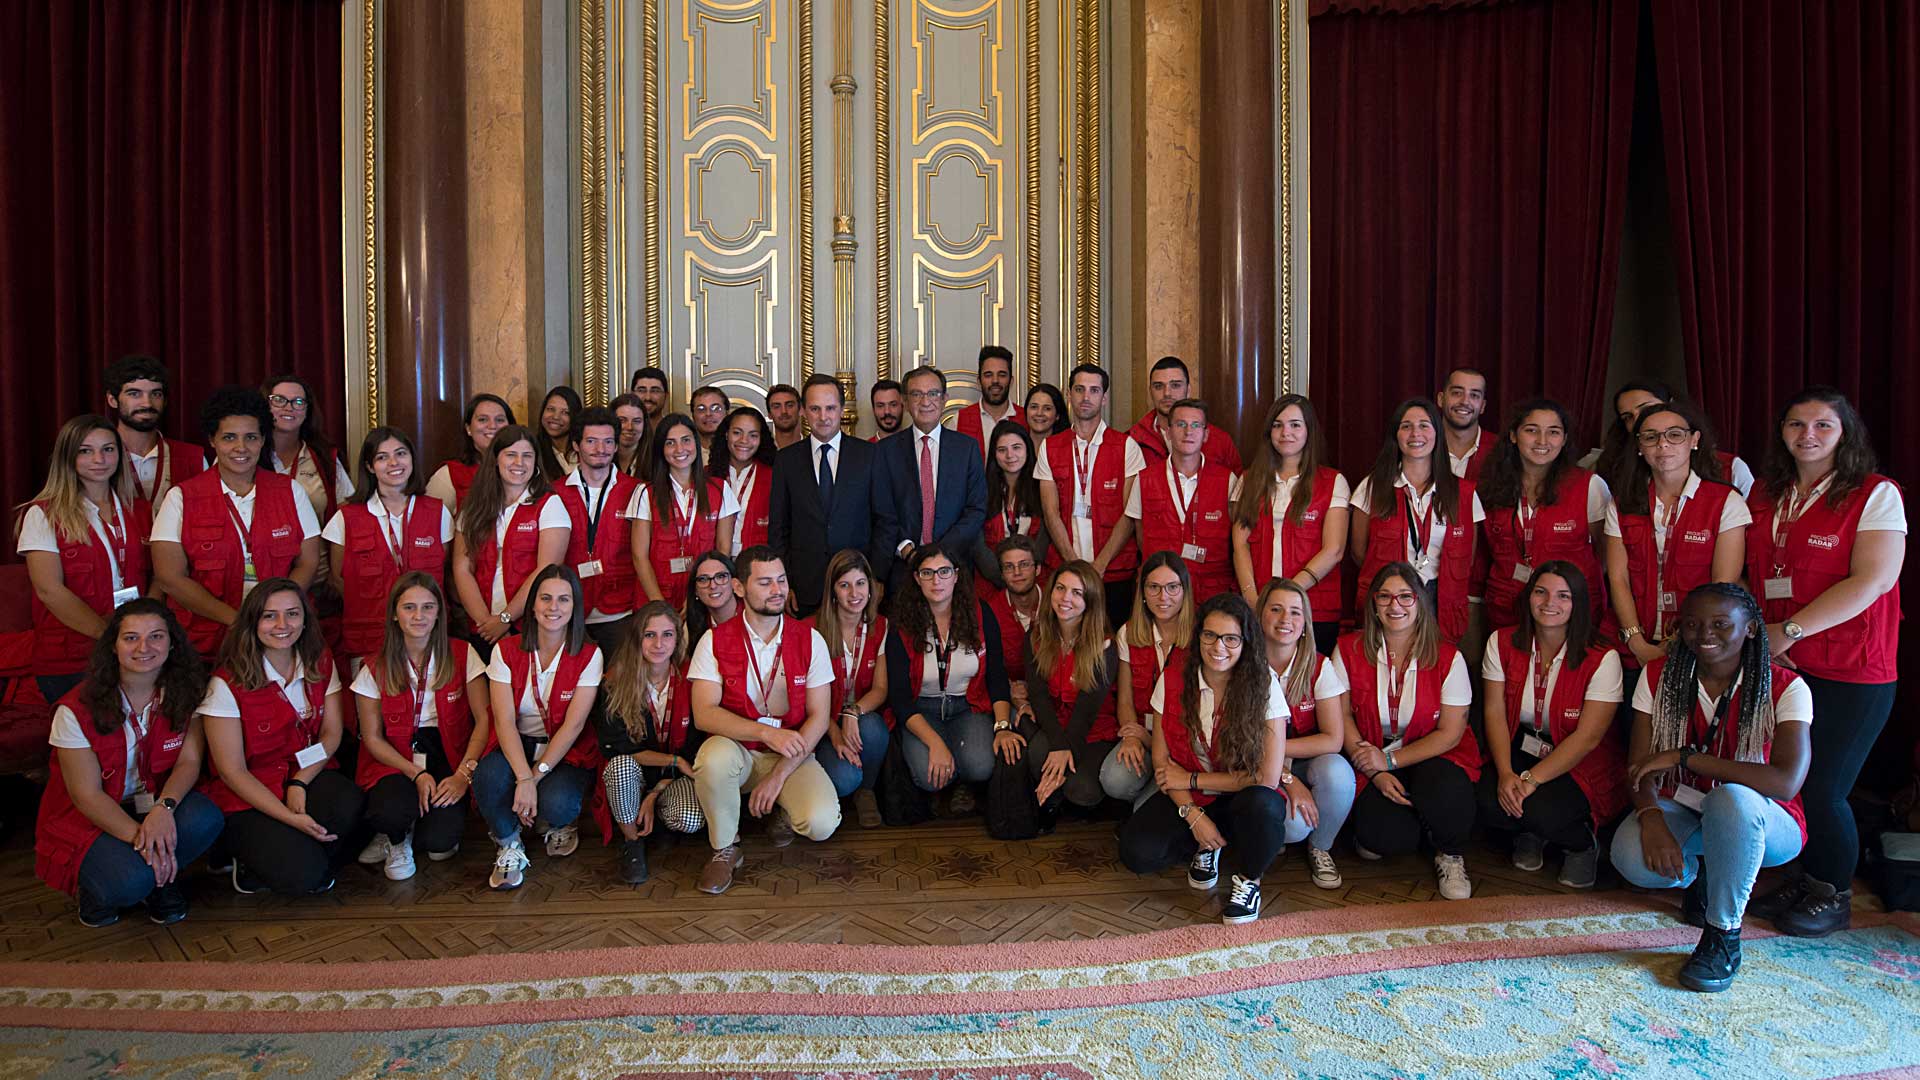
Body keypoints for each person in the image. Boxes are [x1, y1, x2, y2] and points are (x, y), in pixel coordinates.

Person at [1743, 388, 1906, 937]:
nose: (1806, 435)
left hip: (1852, 670)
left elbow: (1874, 580)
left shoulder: (1874, 494)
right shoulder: (1770, 496)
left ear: (1846, 433)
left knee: (1825, 787)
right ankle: (1807, 877)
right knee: (1788, 780)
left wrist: (1787, 631)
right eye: (1795, 424)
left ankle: (1833, 894)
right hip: (1788, 665)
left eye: (1822, 425)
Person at [1609, 584, 1811, 993]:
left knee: (1731, 798)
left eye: (1721, 624)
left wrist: (1686, 759)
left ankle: (1723, 936)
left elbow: (1786, 782)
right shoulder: (1658, 676)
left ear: (1751, 628)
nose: (1705, 634)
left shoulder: (1786, 686)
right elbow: (1640, 765)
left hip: (1767, 821)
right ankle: (1709, 876)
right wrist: (1650, 819)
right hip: (1684, 805)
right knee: (1629, 855)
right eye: (1693, 624)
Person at [35, 600, 221, 927]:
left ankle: (159, 882)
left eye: (156, 637)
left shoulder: (188, 692)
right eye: (131, 638)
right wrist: (146, 839)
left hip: (153, 802)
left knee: (206, 817)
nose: (144, 648)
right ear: (113, 647)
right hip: (93, 813)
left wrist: (163, 810)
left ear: (172, 643)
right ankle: (103, 893)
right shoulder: (74, 709)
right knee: (127, 882)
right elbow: (86, 796)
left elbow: (189, 762)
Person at [1116, 594, 1292, 925]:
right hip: (1193, 797)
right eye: (1210, 635)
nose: (1218, 647)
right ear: (1198, 637)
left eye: (1231, 638)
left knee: (1264, 806)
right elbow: (1163, 763)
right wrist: (1193, 815)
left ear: (1245, 642)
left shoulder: (1264, 682)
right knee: (1137, 853)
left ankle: (1249, 880)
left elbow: (1266, 778)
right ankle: (1209, 844)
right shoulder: (1173, 678)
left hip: (1243, 796)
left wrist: (1193, 780)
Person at [688, 547, 840, 894]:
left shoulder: (809, 638)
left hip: (792, 755)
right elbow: (703, 714)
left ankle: (781, 809)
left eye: (782, 580)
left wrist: (778, 774)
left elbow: (819, 717)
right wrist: (764, 734)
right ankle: (724, 848)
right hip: (737, 751)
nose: (777, 590)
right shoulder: (713, 641)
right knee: (712, 758)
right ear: (739, 588)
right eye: (766, 582)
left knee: (821, 824)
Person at [199, 579, 362, 895]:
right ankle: (247, 855)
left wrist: (299, 782)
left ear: (305, 619)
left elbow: (331, 733)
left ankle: (291, 851)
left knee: (350, 803)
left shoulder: (320, 660)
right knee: (306, 877)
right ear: (253, 621)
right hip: (250, 791)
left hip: (304, 774)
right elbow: (232, 772)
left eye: (292, 614)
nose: (282, 625)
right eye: (269, 616)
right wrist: (289, 818)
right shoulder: (226, 682)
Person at [1337, 562, 1481, 900]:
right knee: (1381, 839)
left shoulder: (1448, 657)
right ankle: (1419, 826)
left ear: (1420, 602)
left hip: (1432, 754)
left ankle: (1449, 852)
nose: (1394, 606)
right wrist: (1374, 770)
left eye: (1405, 596)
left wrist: (1390, 761)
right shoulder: (1348, 649)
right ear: (1373, 604)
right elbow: (1341, 716)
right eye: (1384, 597)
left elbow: (1450, 733)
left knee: (1444, 791)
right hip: (1370, 755)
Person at [1477, 563, 1626, 889]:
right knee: (1486, 799)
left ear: (1578, 604)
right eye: (1541, 592)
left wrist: (1530, 780)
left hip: (1578, 760)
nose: (1549, 603)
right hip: (1521, 747)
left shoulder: (1603, 658)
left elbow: (1588, 739)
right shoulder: (1500, 642)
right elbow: (1494, 712)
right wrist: (1505, 773)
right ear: (1529, 596)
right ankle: (1531, 832)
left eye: (1563, 596)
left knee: (1540, 808)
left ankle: (1581, 844)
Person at [151, 387, 322, 657]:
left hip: (281, 638)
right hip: (204, 646)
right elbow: (169, 577)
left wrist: (273, 616)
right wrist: (238, 621)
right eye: (229, 437)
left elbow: (308, 562)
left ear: (263, 439)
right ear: (213, 440)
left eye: (251, 437)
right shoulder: (181, 497)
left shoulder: (290, 491)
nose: (241, 448)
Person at [350, 573, 491, 880]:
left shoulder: (463, 654)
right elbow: (372, 738)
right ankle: (396, 839)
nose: (419, 616)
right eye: (409, 607)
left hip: (447, 753)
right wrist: (415, 772)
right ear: (394, 614)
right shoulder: (373, 667)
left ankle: (415, 829)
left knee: (440, 843)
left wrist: (463, 776)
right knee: (391, 811)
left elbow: (484, 720)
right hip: (396, 758)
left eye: (428, 607)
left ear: (439, 612)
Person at [472, 564, 604, 890]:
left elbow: (573, 727)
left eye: (563, 600)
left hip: (563, 748)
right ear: (532, 605)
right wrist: (523, 777)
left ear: (575, 607)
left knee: (558, 803)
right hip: (516, 742)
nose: (553, 608)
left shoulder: (590, 654)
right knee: (486, 778)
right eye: (545, 598)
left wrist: (534, 778)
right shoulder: (504, 650)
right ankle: (508, 842)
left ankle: (556, 821)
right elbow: (503, 721)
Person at [1603, 399, 1748, 674]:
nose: (1663, 444)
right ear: (1638, 446)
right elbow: (1618, 578)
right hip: (1633, 646)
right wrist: (1636, 642)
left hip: (1698, 645)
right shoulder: (1623, 503)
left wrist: (1676, 642)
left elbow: (1722, 586)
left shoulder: (1725, 501)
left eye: (1674, 434)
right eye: (1651, 437)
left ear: (1694, 440)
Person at [17, 416, 150, 702]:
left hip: (138, 651)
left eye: (108, 449)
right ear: (68, 457)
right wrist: (111, 637)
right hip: (72, 658)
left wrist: (143, 634)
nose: (99, 459)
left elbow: (159, 575)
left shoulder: (139, 509)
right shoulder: (43, 514)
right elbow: (49, 591)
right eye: (85, 450)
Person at [885, 546, 1015, 812]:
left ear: (956, 575)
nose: (936, 581)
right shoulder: (901, 623)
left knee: (980, 765)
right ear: (916, 578)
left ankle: (959, 778)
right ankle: (946, 776)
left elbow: (997, 677)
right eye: (927, 573)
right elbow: (899, 697)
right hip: (921, 711)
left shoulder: (981, 614)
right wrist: (934, 743)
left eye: (944, 572)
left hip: (968, 707)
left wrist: (1002, 727)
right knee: (928, 777)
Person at [1349, 399, 1486, 650]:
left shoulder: (1463, 493)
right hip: (1389, 599)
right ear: (1396, 435)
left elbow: (1468, 555)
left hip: (1440, 600)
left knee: (1434, 675)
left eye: (1424, 425)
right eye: (1406, 426)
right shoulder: (1372, 487)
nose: (1416, 434)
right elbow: (1359, 552)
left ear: (1437, 433)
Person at [324, 426, 453, 666]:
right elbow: (338, 578)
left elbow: (445, 570)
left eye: (401, 454)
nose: (394, 462)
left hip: (427, 638)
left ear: (412, 458)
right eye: (382, 457)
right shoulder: (346, 518)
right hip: (369, 640)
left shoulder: (438, 512)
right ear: (370, 467)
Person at [1477, 400, 1610, 631]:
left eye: (1553, 432)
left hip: (1568, 613)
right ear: (1513, 436)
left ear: (1564, 439)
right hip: (1506, 610)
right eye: (1532, 430)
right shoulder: (1492, 486)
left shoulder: (1589, 486)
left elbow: (1606, 556)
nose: (1542, 441)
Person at [1231, 394, 1348, 656]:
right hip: (1258, 605)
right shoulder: (1248, 480)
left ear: (1309, 431)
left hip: (1312, 607)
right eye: (1278, 424)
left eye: (1295, 424)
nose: (1286, 432)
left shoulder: (1332, 481)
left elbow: (1334, 550)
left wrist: (1287, 596)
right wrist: (1253, 598)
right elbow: (1240, 546)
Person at [596, 600, 703, 884]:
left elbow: (696, 746)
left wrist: (658, 789)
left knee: (690, 818)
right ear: (637, 639)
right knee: (619, 767)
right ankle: (632, 841)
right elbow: (616, 748)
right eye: (650, 635)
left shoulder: (692, 678)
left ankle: (658, 815)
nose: (659, 644)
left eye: (667, 634)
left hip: (675, 778)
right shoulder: (615, 681)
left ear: (677, 639)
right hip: (634, 774)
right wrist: (674, 761)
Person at [1257, 579, 1352, 890]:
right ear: (1260, 616)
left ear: (1306, 624)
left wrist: (1282, 754)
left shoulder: (1320, 666)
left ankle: (1321, 847)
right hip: (1257, 765)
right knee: (1293, 827)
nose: (1286, 620)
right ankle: (1276, 835)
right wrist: (1285, 777)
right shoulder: (1243, 664)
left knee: (1338, 772)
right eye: (1276, 609)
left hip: (1300, 761)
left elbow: (1333, 739)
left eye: (1296, 613)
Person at [770, 374, 892, 614]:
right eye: (815, 409)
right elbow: (778, 528)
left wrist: (876, 577)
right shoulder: (786, 460)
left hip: (858, 586)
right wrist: (784, 583)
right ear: (803, 411)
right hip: (804, 589)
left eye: (830, 408)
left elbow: (885, 522)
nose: (823, 417)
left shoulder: (869, 455)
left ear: (842, 409)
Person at [1036, 364, 1146, 629]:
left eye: (1094, 390)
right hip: (1064, 571)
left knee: (1111, 647)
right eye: (1079, 389)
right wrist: (1075, 566)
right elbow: (1051, 513)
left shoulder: (1126, 446)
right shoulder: (1050, 447)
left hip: (1113, 572)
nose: (1086, 397)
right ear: (1069, 394)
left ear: (1104, 398)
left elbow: (1129, 514)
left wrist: (1099, 565)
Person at [450, 424, 571, 650]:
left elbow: (546, 570)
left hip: (529, 627)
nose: (519, 463)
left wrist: (504, 620)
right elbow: (461, 568)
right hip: (481, 627)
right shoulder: (473, 506)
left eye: (527, 456)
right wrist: (486, 623)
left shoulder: (550, 505)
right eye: (511, 455)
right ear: (496, 459)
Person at [1016, 560, 1121, 815]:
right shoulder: (1037, 634)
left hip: (1093, 729)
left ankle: (1060, 788)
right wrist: (1058, 745)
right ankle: (1053, 790)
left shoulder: (1104, 644)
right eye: (1060, 588)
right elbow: (1039, 695)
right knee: (1039, 755)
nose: (1065, 598)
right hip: (1056, 720)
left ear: (1091, 600)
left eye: (1077, 593)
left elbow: (1087, 711)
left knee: (1082, 790)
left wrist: (1064, 749)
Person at [876, 366, 988, 595]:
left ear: (945, 399)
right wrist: (907, 550)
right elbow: (881, 510)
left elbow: (976, 509)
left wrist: (940, 554)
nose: (925, 401)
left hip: (954, 569)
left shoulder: (966, 449)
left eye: (933, 393)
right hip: (903, 570)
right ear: (906, 402)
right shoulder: (885, 451)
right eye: (917, 394)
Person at [808, 550, 891, 827]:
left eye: (860, 583)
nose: (854, 593)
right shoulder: (812, 629)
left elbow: (880, 689)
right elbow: (806, 701)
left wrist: (853, 714)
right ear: (832, 592)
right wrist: (834, 732)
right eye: (844, 585)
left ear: (871, 587)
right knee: (845, 780)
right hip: (819, 722)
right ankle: (834, 791)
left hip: (858, 717)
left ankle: (867, 791)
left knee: (875, 728)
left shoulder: (880, 626)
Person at [1127, 398, 1239, 602]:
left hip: (1211, 595)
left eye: (1196, 425)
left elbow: (1236, 541)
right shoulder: (1144, 479)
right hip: (1161, 595)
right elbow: (1141, 536)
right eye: (1181, 424)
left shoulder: (1227, 480)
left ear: (1206, 434)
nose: (1188, 432)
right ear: (1168, 432)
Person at [629, 413, 739, 610]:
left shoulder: (720, 489)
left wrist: (697, 598)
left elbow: (723, 549)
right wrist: (660, 606)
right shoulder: (645, 493)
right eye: (670, 443)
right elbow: (639, 556)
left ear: (696, 444)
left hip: (705, 596)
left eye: (686, 440)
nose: (680, 449)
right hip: (656, 597)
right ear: (661, 449)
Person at [1109, 553, 1194, 807]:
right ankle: (1153, 781)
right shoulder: (1128, 632)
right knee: (1115, 780)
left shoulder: (1201, 635)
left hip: (1183, 745)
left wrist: (1150, 741)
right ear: (1142, 592)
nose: (1163, 597)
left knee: (1143, 813)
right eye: (1154, 587)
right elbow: (1125, 700)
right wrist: (1132, 736)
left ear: (1184, 591)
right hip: (1143, 731)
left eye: (1172, 588)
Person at [557, 407, 642, 656]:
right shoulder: (554, 493)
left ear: (616, 446)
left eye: (608, 442)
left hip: (620, 611)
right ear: (576, 444)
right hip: (570, 610)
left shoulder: (637, 490)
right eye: (591, 441)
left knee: (618, 690)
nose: (600, 449)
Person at [1588, 378, 1755, 497]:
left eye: (1647, 408)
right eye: (1628, 417)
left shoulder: (1731, 469)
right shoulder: (1613, 469)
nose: (1640, 419)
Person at [103, 355, 205, 508]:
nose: (147, 403)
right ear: (112, 400)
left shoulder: (194, 458)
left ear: (165, 401)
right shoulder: (96, 457)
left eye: (155, 394)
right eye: (134, 393)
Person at [263, 373, 354, 528]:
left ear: (307, 411)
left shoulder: (325, 458)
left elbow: (347, 514)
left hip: (319, 551)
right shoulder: (246, 456)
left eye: (298, 402)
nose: (288, 407)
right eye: (278, 400)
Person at [1124, 357, 1243, 471]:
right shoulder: (1132, 440)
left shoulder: (1220, 441)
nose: (1167, 393)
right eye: (1158, 386)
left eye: (1175, 385)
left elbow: (1237, 489)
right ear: (1150, 391)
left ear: (1188, 390)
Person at [975, 419, 1050, 589]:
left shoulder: (1043, 488)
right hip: (992, 583)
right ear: (994, 454)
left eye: (1016, 447)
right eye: (1002, 450)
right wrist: (1003, 576)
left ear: (1027, 449)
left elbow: (1045, 538)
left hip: (1035, 581)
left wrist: (1026, 573)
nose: (1010, 456)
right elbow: (977, 544)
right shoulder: (981, 491)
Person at [984, 534, 1044, 716]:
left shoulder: (1057, 604)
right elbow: (983, 666)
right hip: (1006, 695)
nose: (1017, 573)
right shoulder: (989, 611)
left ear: (1038, 569)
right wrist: (1009, 688)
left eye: (1024, 564)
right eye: (1009, 567)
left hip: (1052, 694)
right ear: (1001, 574)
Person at [425, 393, 515, 512]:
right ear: (468, 428)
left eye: (500, 420)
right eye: (483, 419)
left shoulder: (525, 470)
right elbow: (427, 523)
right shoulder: (449, 475)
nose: (493, 426)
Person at [712, 405, 775, 554]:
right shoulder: (707, 476)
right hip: (714, 563)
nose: (744, 440)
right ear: (726, 434)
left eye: (753, 435)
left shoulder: (773, 477)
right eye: (737, 433)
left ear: (761, 439)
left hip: (757, 563)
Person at [951, 345, 1024, 458]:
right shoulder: (959, 420)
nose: (995, 380)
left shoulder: (1026, 419)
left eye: (1002, 375)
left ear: (1011, 381)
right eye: (988, 375)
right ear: (979, 381)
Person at [1436, 367, 1496, 481]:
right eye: (1457, 393)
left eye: (1474, 395)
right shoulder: (1422, 447)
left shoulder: (1500, 450)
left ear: (1483, 406)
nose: (1464, 401)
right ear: (1441, 399)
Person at [683, 550, 740, 646]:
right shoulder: (691, 625)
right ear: (695, 590)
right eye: (703, 579)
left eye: (721, 576)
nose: (713, 585)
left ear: (735, 583)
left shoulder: (753, 618)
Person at [533, 385, 583, 480]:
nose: (556, 417)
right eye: (550, 409)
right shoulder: (533, 451)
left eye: (565, 412)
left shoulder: (585, 450)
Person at [611, 392, 650, 476]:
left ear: (645, 424)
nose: (630, 427)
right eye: (622, 420)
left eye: (636, 421)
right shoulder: (600, 459)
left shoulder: (656, 461)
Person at [689, 385, 731, 456]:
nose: (708, 414)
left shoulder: (737, 450)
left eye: (716, 408)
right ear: (693, 415)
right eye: (701, 409)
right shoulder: (685, 451)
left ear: (727, 413)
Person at [766, 383, 805, 449]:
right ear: (769, 414)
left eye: (789, 405)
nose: (784, 411)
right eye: (777, 406)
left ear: (800, 410)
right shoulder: (763, 454)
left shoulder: (813, 449)